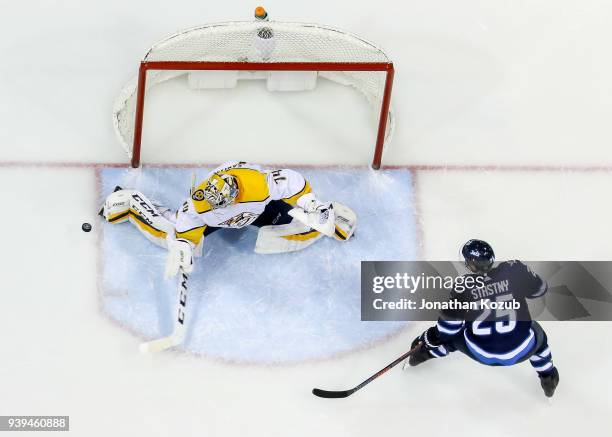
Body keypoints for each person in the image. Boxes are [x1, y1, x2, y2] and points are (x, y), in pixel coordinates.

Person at [100, 161, 356, 277]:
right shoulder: (200, 205)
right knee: (168, 234)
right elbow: (185, 230)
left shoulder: (257, 185)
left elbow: (293, 183)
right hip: (212, 223)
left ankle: (331, 217)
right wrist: (182, 247)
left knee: (295, 231)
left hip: (258, 210)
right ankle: (131, 202)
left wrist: (312, 205)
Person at [406, 239, 560, 398]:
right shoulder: (514, 269)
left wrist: (429, 337)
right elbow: (540, 290)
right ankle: (548, 378)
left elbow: (447, 330)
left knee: (454, 338)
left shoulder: (462, 286)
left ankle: (421, 356)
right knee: (538, 337)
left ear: (470, 265)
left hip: (481, 353)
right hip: (521, 350)